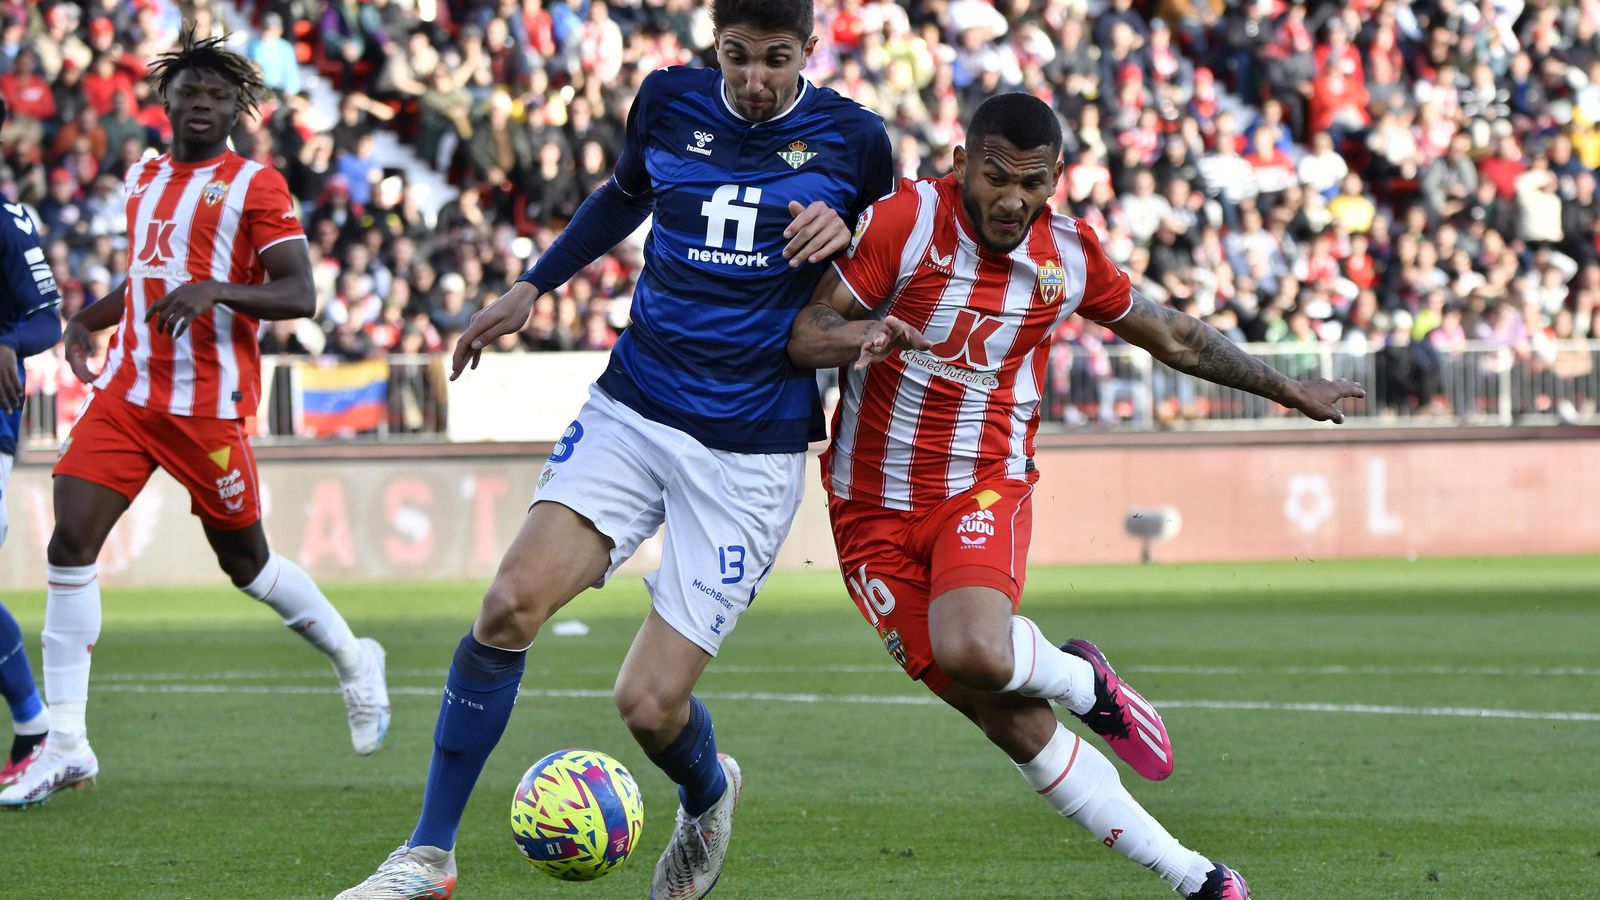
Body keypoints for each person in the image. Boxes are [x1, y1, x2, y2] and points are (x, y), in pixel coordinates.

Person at [337, 1, 894, 897]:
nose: (753, 80)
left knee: (646, 706)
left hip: (748, 449)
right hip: (636, 405)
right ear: (714, 47)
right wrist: (533, 283)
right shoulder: (668, 100)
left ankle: (709, 794)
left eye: (775, 60)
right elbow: (625, 197)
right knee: (507, 606)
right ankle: (428, 857)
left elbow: (886, 263)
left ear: (810, 52)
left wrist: (854, 233)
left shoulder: (857, 140)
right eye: (738, 57)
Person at [789, 93, 1365, 899]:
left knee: (980, 652)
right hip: (867, 512)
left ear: (1057, 179)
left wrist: (1285, 388)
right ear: (963, 165)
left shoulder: (1067, 256)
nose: (1011, 199)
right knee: (1012, 722)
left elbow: (1172, 336)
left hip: (980, 488)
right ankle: (1200, 876)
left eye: (1031, 183)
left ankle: (1087, 686)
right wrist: (864, 335)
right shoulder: (906, 222)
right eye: (995, 178)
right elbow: (806, 333)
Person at [0, 31, 391, 810]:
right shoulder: (145, 175)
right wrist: (92, 317)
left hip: (207, 409)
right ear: (167, 101)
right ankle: (66, 744)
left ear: (238, 107)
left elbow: (299, 293)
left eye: (217, 94)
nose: (202, 104)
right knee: (69, 542)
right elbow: (150, 275)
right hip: (127, 396)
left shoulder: (258, 185)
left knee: (247, 566)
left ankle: (355, 659)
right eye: (190, 92)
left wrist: (218, 290)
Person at [0, 96, 65, 789]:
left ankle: (35, 727)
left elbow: (47, 320)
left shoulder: (8, 221)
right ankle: (34, 727)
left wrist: (5, 342)